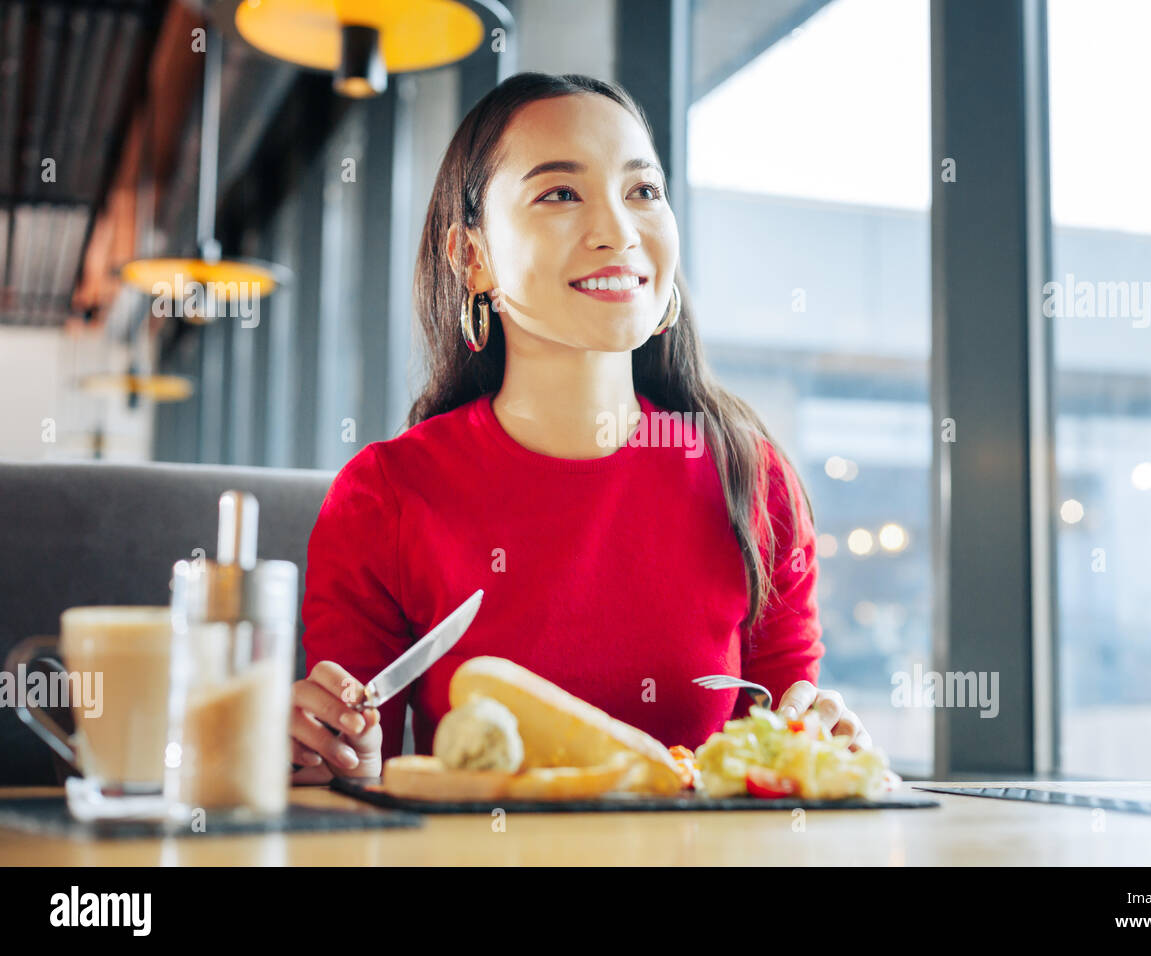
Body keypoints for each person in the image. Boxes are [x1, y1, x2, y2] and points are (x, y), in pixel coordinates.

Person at [289, 72, 873, 782]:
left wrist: (821, 745)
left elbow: (783, 757)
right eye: (560, 193)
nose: (618, 233)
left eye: (643, 192)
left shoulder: (751, 480)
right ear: (472, 257)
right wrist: (337, 753)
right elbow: (352, 769)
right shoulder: (385, 497)